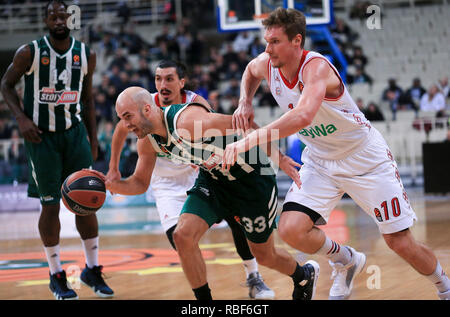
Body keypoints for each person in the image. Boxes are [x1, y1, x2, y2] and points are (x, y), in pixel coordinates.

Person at [225, 7, 450, 300]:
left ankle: (444, 287)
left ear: (297, 41)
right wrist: (245, 102)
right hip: (320, 160)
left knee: (399, 242)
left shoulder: (316, 68)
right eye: (266, 41)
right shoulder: (267, 63)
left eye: (275, 41)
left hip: (364, 158)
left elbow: (304, 116)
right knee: (291, 229)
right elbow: (250, 71)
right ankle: (345, 260)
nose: (268, 48)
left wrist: (248, 140)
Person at [104, 86, 320, 300]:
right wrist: (109, 185)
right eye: (122, 118)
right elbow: (140, 183)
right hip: (214, 180)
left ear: (147, 110)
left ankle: (303, 275)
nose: (125, 124)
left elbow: (243, 123)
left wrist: (279, 158)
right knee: (182, 236)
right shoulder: (148, 142)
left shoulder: (187, 122)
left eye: (128, 116)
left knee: (264, 255)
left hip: (252, 181)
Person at [0, 1, 114, 300]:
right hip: (42, 138)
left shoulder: (85, 53)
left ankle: (92, 268)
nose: (59, 20)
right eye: (53, 16)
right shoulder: (29, 52)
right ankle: (56, 274)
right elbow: (6, 85)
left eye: (63, 15)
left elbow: (87, 100)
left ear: (70, 18)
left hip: (74, 134)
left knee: (87, 203)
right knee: (50, 206)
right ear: (46, 20)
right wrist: (22, 119)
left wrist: (92, 138)